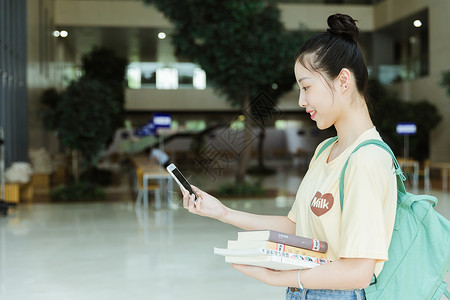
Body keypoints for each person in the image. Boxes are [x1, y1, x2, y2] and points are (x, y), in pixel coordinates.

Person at [180, 13, 397, 300]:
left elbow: (357, 271)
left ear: (343, 80)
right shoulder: (325, 151)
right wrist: (224, 213)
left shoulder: (366, 160)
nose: (301, 100)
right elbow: (297, 226)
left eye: (306, 87)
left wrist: (279, 277)